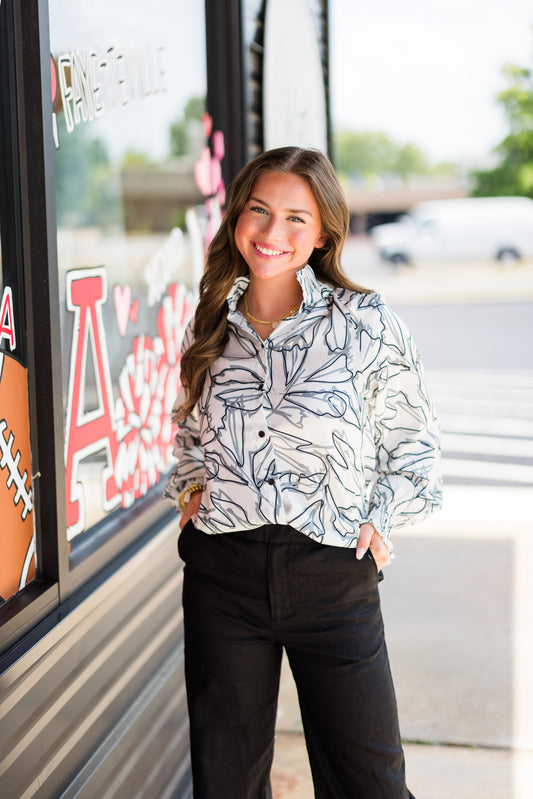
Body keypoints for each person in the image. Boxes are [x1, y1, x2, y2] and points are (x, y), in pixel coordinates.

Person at [164, 146, 442, 799]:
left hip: (331, 575)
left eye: (295, 218)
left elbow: (415, 445)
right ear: (236, 218)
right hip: (222, 578)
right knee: (225, 782)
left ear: (322, 234)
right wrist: (192, 491)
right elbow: (189, 432)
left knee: (369, 782)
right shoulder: (213, 321)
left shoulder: (363, 323)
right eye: (258, 211)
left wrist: (380, 514)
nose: (271, 233)